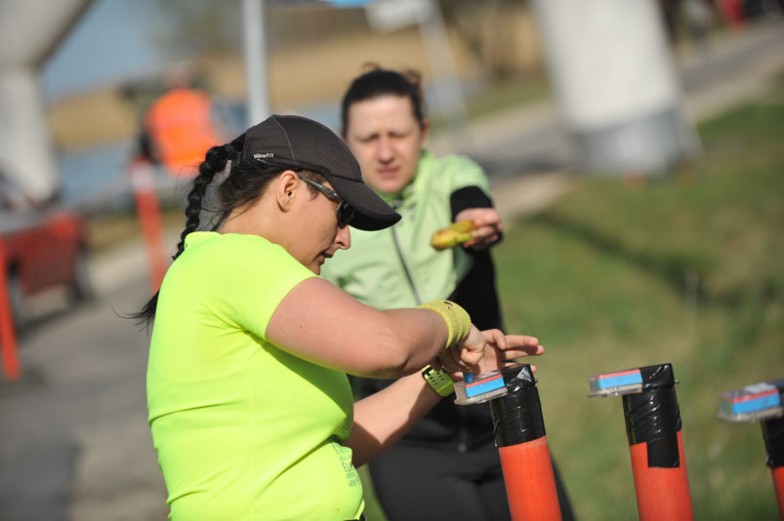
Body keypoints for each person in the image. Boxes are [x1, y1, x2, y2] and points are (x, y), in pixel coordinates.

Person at [129, 113, 545, 521]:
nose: (345, 239)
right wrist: (451, 316)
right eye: (342, 213)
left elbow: (334, 448)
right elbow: (386, 347)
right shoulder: (234, 259)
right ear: (289, 190)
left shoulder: (231, 270)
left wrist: (441, 372)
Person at [321, 66, 574, 521]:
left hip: (500, 417)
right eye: (368, 137)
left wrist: (478, 221)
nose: (384, 152)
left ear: (424, 131)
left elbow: (470, 197)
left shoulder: (451, 175)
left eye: (397, 133)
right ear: (345, 140)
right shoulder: (331, 227)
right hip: (409, 440)